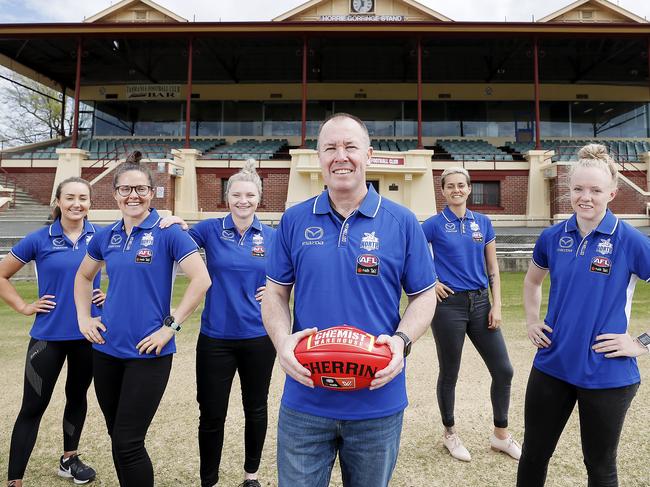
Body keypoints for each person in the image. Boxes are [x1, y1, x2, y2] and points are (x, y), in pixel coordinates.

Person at [261, 113, 438, 487]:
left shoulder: (403, 221)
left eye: (350, 147)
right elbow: (275, 293)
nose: (341, 156)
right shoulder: (293, 220)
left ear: (368, 154)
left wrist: (401, 342)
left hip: (377, 400)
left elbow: (424, 295)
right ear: (319, 159)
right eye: (330, 148)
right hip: (306, 398)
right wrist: (282, 343)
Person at [517, 144, 650, 487]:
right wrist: (533, 321)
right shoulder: (552, 237)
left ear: (612, 193)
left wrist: (641, 342)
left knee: (600, 467)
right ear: (569, 191)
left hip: (607, 373)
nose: (585, 197)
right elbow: (532, 282)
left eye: (595, 190)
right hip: (552, 366)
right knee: (534, 454)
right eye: (578, 189)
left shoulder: (631, 241)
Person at [74, 160, 211, 487]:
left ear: (152, 193)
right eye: (125, 189)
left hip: (149, 353)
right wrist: (83, 317)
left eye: (140, 189)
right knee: (116, 435)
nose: (132, 195)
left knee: (128, 442)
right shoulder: (105, 236)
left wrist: (170, 328)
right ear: (115, 194)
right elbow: (83, 276)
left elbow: (201, 280)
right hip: (106, 350)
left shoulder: (168, 233)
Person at [0, 177, 103, 487]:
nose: (76, 203)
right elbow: (3, 275)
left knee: (77, 397)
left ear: (90, 202)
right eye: (69, 197)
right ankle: (15, 480)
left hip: (88, 334)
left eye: (82, 198)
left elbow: (131, 272)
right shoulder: (39, 239)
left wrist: (110, 296)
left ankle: (69, 459)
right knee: (32, 407)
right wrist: (23, 306)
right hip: (47, 337)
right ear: (58, 202)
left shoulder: (103, 236)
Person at [421, 167, 520, 462]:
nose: (456, 190)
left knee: (504, 370)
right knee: (450, 372)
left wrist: (497, 304)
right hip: (448, 306)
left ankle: (500, 435)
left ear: (468, 188)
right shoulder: (433, 225)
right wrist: (432, 281)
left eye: (461, 185)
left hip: (480, 305)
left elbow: (492, 268)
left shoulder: (483, 222)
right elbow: (410, 255)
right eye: (450, 186)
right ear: (443, 191)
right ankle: (450, 433)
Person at [188, 160, 276, 487]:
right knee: (212, 415)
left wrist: (283, 288)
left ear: (259, 198)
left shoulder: (272, 236)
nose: (243, 200)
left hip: (259, 337)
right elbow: (175, 238)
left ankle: (250, 476)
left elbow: (300, 269)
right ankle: (208, 481)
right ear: (227, 198)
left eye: (250, 195)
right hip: (215, 338)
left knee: (256, 409)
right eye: (237, 194)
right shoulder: (210, 229)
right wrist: (165, 218)